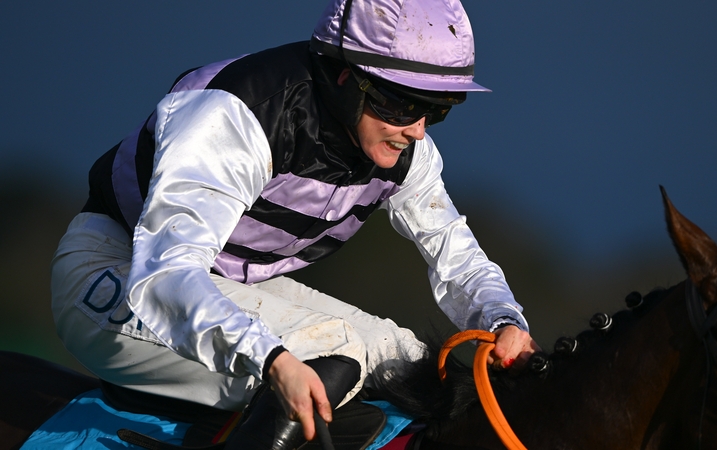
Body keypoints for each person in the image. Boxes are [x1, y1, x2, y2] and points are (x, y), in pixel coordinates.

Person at [50, 0, 538, 447]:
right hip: (118, 272)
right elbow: (167, 275)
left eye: (435, 109)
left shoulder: (405, 151)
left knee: (405, 358)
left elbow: (454, 252)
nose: (416, 129)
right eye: (401, 104)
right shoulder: (234, 115)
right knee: (336, 350)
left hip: (220, 285)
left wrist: (502, 320)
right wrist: (273, 360)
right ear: (343, 79)